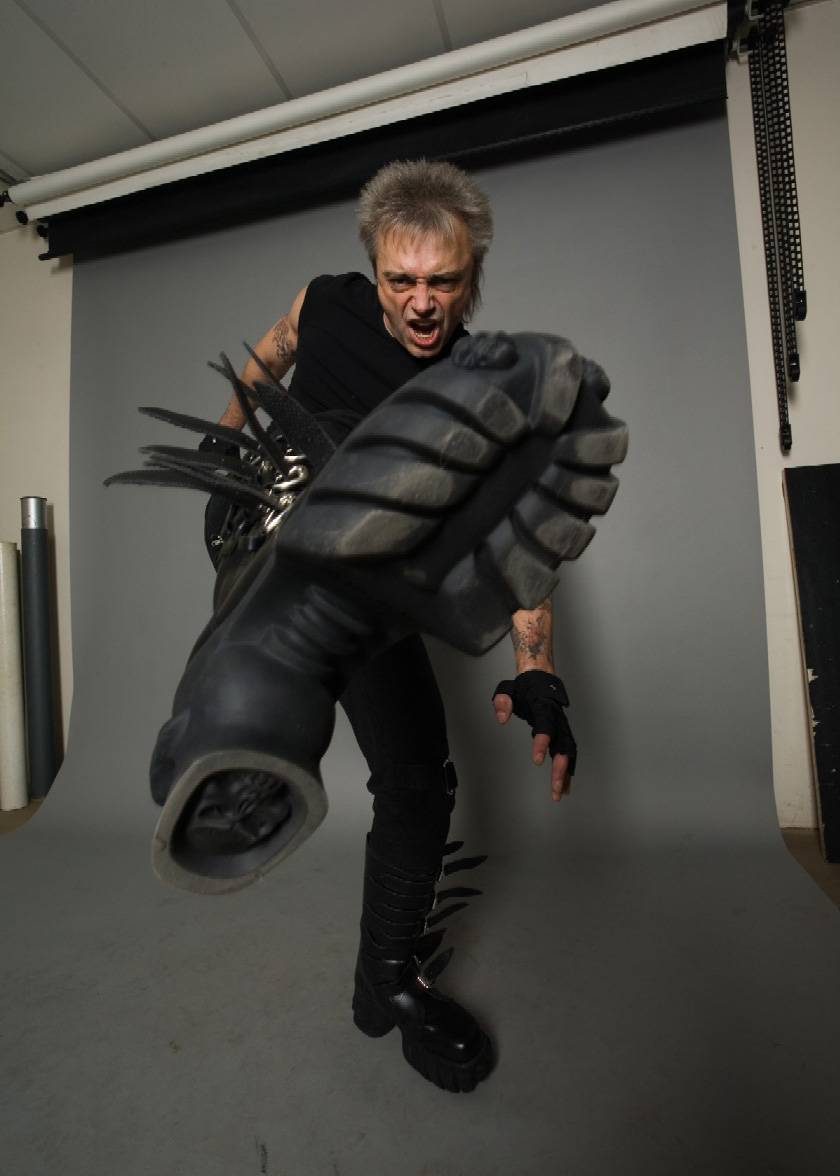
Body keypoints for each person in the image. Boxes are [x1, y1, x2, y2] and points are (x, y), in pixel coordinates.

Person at [210, 159, 576, 1093]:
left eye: (441, 282)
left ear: (471, 276)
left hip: (370, 584)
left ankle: (384, 982)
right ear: (373, 271)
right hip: (275, 543)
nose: (420, 303)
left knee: (418, 783)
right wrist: (225, 443)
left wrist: (537, 668)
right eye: (400, 279)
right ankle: (244, 741)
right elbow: (276, 346)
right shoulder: (326, 302)